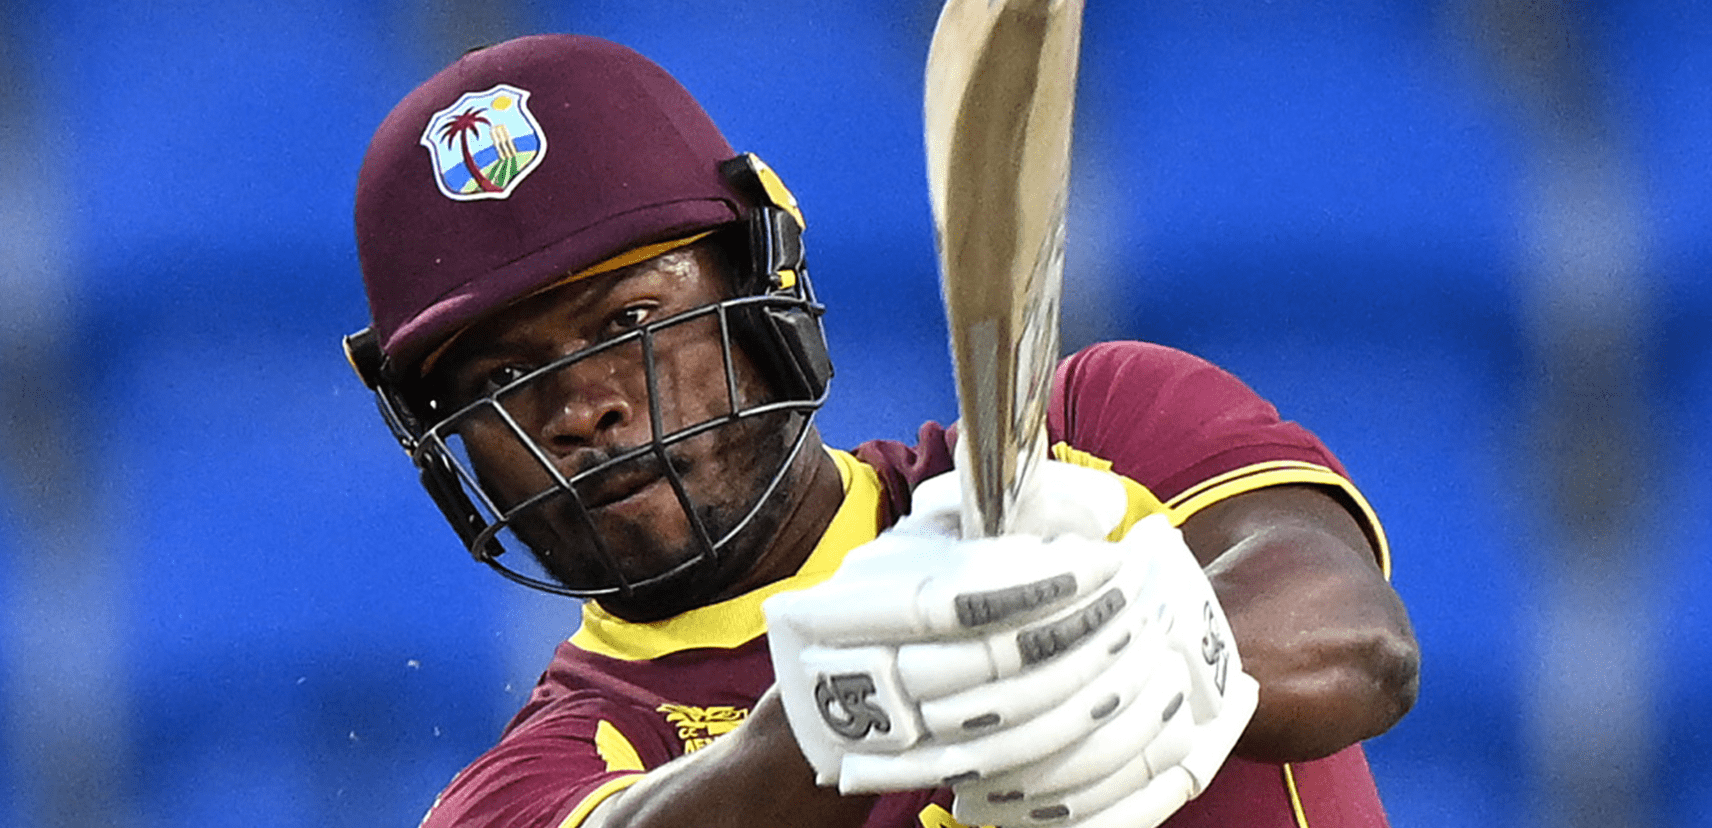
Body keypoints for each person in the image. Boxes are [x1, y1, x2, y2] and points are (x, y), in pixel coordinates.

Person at [345, 34, 1419, 828]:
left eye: (629, 323)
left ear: (762, 291)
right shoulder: (530, 785)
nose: (583, 409)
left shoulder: (1101, 427)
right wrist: (847, 714)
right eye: (505, 378)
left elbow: (1362, 645)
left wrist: (1134, 654)